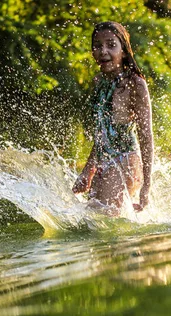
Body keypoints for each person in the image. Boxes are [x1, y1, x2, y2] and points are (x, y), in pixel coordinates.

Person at [72, 21, 154, 216]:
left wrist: (147, 187)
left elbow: (146, 136)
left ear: (123, 51)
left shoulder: (136, 84)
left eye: (111, 45)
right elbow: (103, 133)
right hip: (105, 162)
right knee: (91, 219)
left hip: (126, 161)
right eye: (97, 46)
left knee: (100, 220)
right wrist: (88, 170)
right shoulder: (99, 83)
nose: (103, 51)